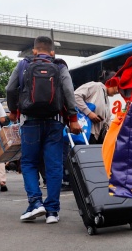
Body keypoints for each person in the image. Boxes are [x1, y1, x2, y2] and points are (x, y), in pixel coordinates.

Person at [6, 35, 81, 224]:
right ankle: (52, 212)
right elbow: (68, 92)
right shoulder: (60, 65)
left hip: (30, 122)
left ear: (34, 50)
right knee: (54, 166)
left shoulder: (23, 65)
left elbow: (10, 88)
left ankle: (35, 202)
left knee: (29, 163)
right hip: (55, 122)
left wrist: (14, 111)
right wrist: (72, 118)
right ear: (52, 52)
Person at [73, 73, 119, 144]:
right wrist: (89, 113)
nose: (117, 91)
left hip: (97, 137)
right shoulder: (95, 86)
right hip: (86, 133)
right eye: (117, 87)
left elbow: (108, 120)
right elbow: (75, 96)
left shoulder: (106, 98)